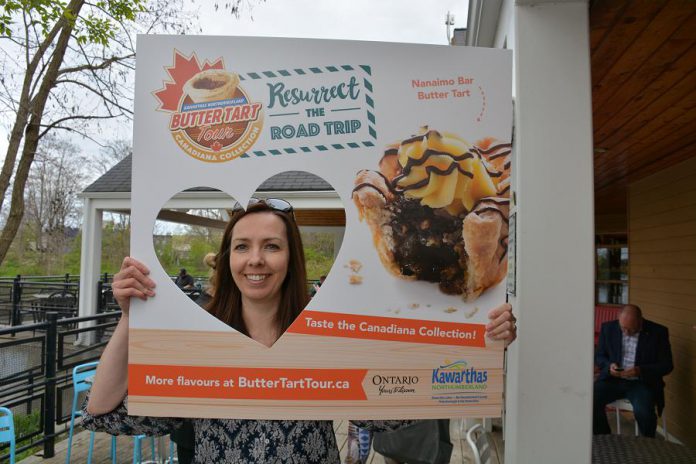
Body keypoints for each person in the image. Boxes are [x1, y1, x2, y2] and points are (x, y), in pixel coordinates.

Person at [84, 199, 517, 463]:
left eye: (271, 246)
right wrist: (129, 317)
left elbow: (396, 408)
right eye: (242, 247)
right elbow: (104, 411)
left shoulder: (323, 334)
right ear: (228, 258)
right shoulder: (201, 338)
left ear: (290, 259)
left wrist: (481, 338)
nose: (256, 259)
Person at [593, 304, 673, 437]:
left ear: (641, 321)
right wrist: (609, 366)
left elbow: (667, 365)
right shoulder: (608, 328)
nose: (626, 333)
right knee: (590, 400)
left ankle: (647, 444)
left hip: (641, 382)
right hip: (613, 379)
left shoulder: (658, 332)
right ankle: (605, 438)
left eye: (631, 330)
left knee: (644, 412)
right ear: (618, 318)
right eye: (623, 328)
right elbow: (600, 356)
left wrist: (640, 370)